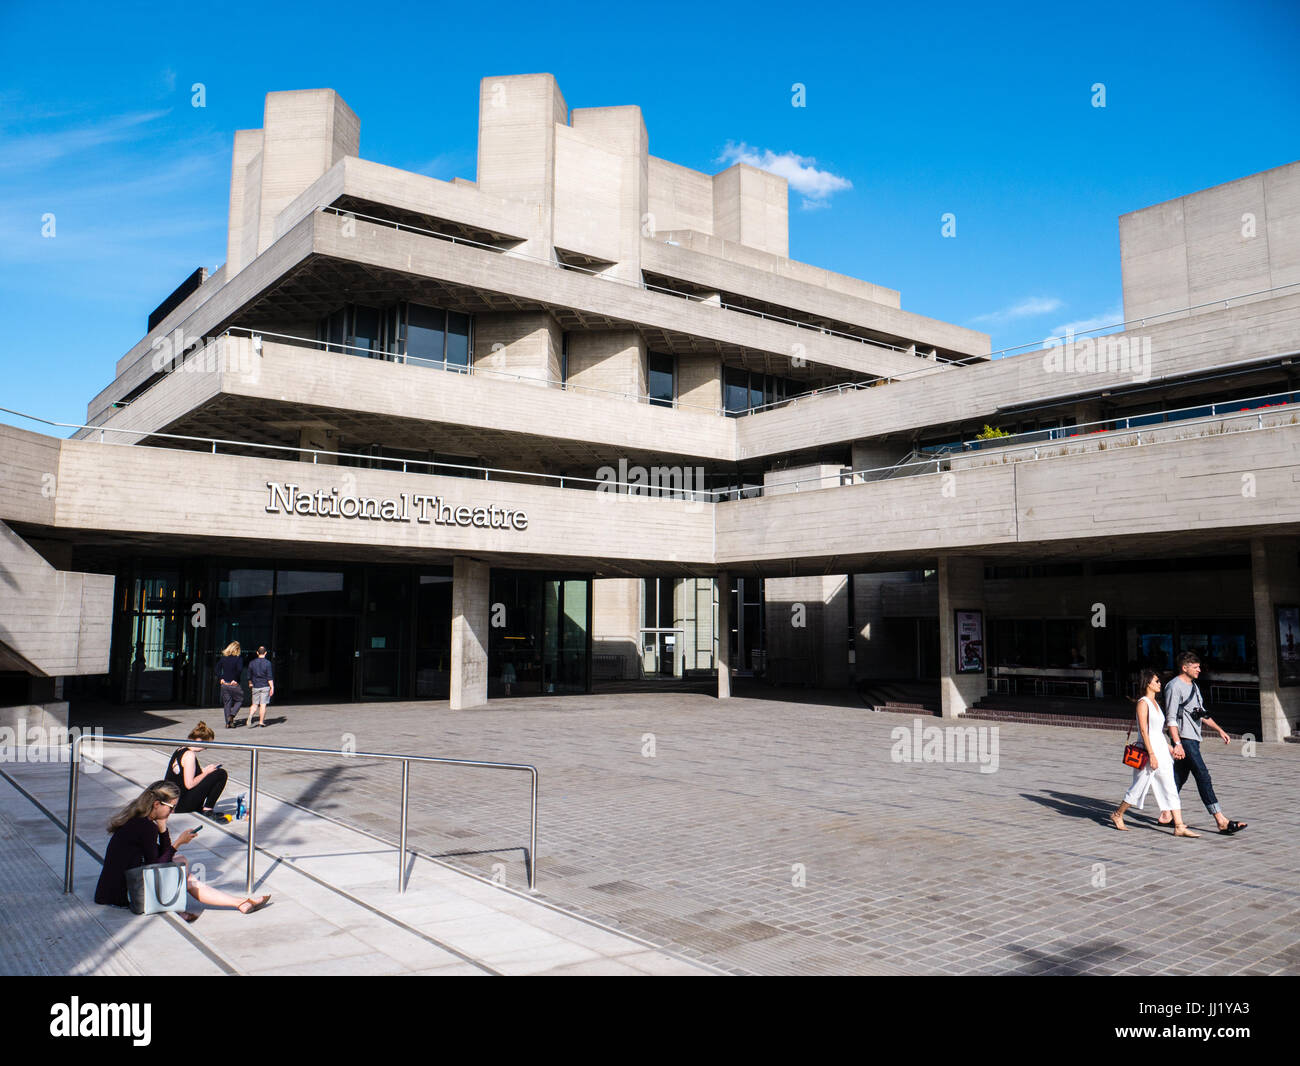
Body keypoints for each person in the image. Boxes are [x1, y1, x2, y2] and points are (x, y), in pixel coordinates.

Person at [94, 781, 270, 920]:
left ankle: (238, 903)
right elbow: (156, 865)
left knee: (181, 862)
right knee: (181, 867)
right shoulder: (145, 827)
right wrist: (177, 843)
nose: (172, 811)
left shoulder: (139, 821)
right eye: (171, 807)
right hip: (122, 895)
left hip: (109, 890)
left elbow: (158, 857)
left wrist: (163, 829)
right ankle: (239, 902)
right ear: (157, 804)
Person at [1159, 651, 1248, 834]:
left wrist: (1220, 730)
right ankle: (1220, 820)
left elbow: (1201, 713)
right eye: (1196, 667)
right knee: (1203, 775)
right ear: (1185, 668)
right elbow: (1171, 719)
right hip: (1184, 739)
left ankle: (1166, 814)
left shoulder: (1194, 686)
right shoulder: (1174, 687)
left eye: (1199, 666)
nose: (1199, 669)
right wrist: (1177, 743)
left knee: (1179, 777)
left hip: (1194, 738)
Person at [1110, 668, 1199, 837]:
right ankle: (1117, 814)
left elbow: (1157, 731)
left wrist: (1168, 747)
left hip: (1161, 751)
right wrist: (1151, 754)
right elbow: (1144, 731)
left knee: (1170, 786)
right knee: (1138, 787)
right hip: (1148, 751)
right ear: (1148, 683)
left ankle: (1179, 825)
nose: (1160, 684)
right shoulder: (1143, 703)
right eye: (1157, 681)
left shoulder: (1156, 703)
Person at [164, 723, 228, 814]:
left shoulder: (180, 749)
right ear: (199, 740)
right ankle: (207, 810)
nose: (206, 748)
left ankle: (205, 809)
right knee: (221, 774)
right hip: (181, 805)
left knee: (214, 772)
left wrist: (204, 771)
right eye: (207, 745)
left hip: (173, 801)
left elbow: (182, 775)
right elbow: (189, 784)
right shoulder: (189, 755)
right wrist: (206, 773)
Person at [245, 646, 274, 727]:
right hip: (265, 686)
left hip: (255, 686)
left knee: (254, 704)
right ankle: (261, 722)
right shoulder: (268, 663)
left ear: (257, 653)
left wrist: (250, 683)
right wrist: (272, 687)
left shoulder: (252, 663)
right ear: (265, 653)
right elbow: (269, 677)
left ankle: (250, 715)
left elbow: (249, 675)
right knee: (263, 704)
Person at [217, 641, 244, 728]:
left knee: (227, 703)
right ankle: (232, 716)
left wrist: (221, 678)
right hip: (233, 684)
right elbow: (239, 670)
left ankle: (228, 723)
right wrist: (235, 679)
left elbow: (217, 669)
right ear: (237, 649)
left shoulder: (224, 658)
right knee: (240, 700)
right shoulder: (238, 658)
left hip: (224, 684)